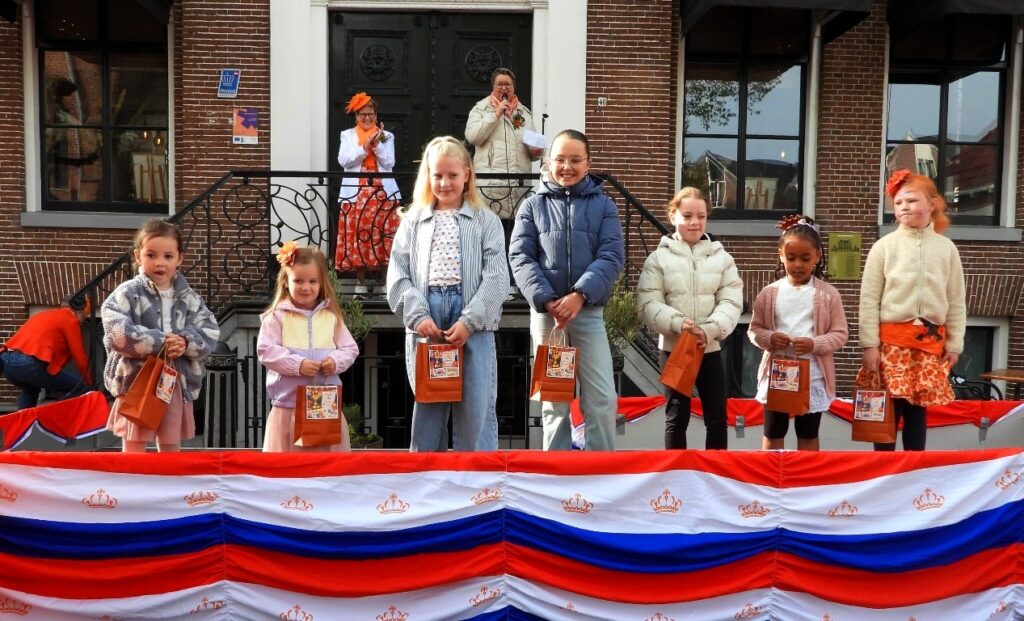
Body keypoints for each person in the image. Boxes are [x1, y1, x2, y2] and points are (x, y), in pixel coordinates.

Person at [386, 136, 508, 452]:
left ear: (467, 174)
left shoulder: (486, 221)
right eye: (437, 175)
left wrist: (470, 320)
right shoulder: (412, 222)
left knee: (476, 406)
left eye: (452, 175)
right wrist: (417, 316)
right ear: (427, 176)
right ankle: (427, 472)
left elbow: (496, 277)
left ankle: (476, 473)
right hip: (428, 316)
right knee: (429, 407)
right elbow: (398, 273)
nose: (445, 183)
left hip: (472, 320)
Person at [509, 129, 624, 451]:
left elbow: (612, 255)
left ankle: (601, 466)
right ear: (548, 162)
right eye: (560, 159)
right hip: (549, 320)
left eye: (575, 160)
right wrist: (547, 300)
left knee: (601, 398)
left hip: (587, 313)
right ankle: (555, 470)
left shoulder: (605, 206)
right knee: (554, 401)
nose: (567, 167)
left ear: (588, 164)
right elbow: (520, 256)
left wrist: (579, 295)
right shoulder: (532, 206)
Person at [859, 170, 965, 451]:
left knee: (918, 410)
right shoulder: (884, 247)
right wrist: (869, 344)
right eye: (898, 202)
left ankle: (915, 466)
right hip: (891, 344)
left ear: (932, 204)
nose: (904, 206)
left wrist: (955, 344)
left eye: (912, 200)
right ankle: (884, 468)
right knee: (889, 410)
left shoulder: (947, 249)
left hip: (929, 346)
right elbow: (868, 299)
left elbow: (956, 301)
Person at [637, 187, 742, 450]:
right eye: (687, 216)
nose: (695, 222)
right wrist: (677, 323)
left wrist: (710, 329)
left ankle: (715, 471)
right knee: (676, 418)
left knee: (716, 419)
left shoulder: (723, 259)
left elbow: (731, 301)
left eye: (701, 216)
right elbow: (648, 303)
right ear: (672, 216)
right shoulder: (657, 259)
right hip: (675, 350)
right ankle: (676, 471)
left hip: (710, 349)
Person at [102, 219, 220, 453]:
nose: (160, 263)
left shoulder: (189, 297)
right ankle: (132, 477)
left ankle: (167, 476)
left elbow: (210, 330)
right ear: (138, 256)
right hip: (136, 378)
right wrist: (160, 342)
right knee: (134, 445)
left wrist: (185, 342)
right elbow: (116, 331)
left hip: (173, 379)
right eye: (151, 255)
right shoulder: (127, 293)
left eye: (168, 256)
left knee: (170, 445)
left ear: (180, 259)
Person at [748, 216, 848, 451]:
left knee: (808, 432)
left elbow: (840, 333)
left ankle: (807, 473)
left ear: (817, 257)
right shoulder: (768, 293)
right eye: (791, 258)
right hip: (778, 373)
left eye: (805, 258)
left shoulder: (828, 294)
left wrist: (814, 344)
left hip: (813, 374)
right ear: (781, 255)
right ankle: (772, 471)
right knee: (773, 430)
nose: (798, 265)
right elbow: (754, 330)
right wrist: (770, 338)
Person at [259, 242, 359, 452]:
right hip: (288, 407)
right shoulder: (275, 317)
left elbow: (350, 349)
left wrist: (335, 362)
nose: (306, 287)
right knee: (289, 466)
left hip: (325, 406)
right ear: (286, 282)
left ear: (322, 283)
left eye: (313, 281)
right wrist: (298, 365)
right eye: (298, 281)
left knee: (326, 466)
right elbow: (266, 351)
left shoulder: (332, 317)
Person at [336, 92, 401, 294]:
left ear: (376, 115)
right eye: (363, 114)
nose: (367, 118)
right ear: (356, 116)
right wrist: (365, 148)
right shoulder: (347, 135)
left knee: (384, 237)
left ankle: (384, 283)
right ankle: (360, 284)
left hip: (383, 194)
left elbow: (389, 162)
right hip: (356, 194)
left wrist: (377, 145)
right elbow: (344, 161)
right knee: (358, 237)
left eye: (371, 114)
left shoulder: (386, 136)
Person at [465, 68, 544, 219]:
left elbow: (534, 151)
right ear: (493, 86)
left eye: (507, 84)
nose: (504, 88)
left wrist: (537, 151)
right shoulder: (480, 109)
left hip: (518, 189)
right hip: (490, 189)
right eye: (499, 84)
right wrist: (495, 115)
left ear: (513, 87)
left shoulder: (523, 113)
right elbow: (473, 137)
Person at [0, 298, 93, 410]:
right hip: (28, 363)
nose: (84, 319)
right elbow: (80, 357)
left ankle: (23, 420)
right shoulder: (70, 320)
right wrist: (90, 383)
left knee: (31, 389)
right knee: (78, 388)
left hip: (6, 361)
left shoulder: (45, 314)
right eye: (85, 315)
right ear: (79, 311)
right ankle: (60, 418)